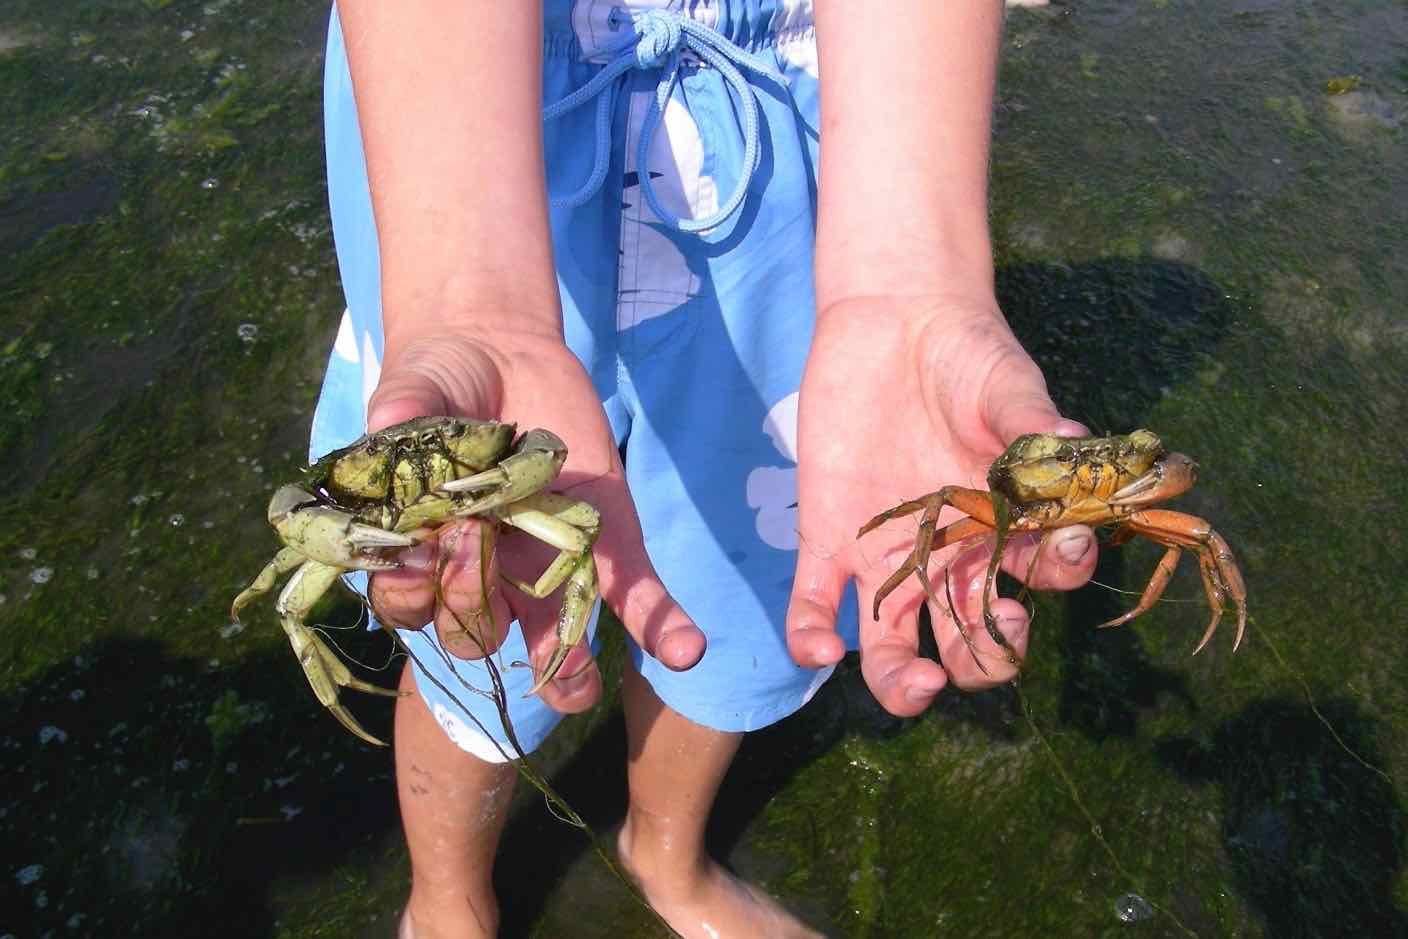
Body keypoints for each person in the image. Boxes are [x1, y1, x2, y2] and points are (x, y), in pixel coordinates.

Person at [314, 2, 1099, 936]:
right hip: (457, 129)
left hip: (818, 125)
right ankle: (446, 897)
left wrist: (911, 276)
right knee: (477, 605)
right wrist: (469, 298)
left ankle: (668, 852)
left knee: (754, 579)